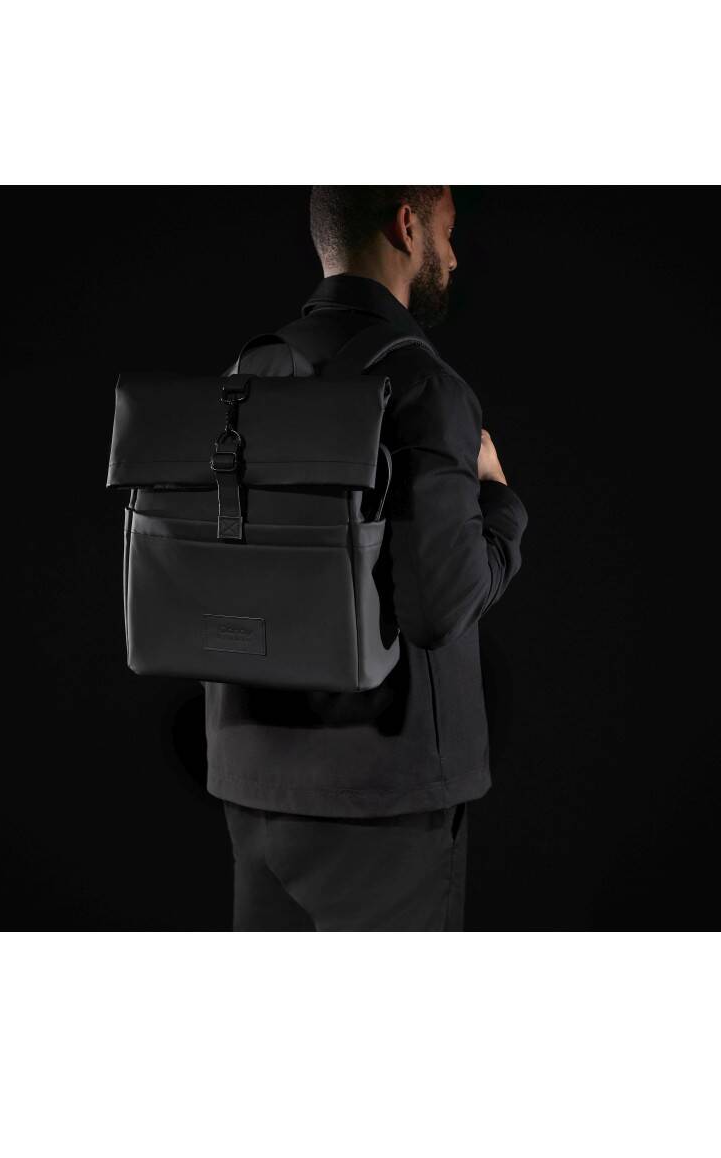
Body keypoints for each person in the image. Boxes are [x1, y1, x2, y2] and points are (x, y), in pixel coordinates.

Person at [204, 186, 529, 930]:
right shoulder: (423, 386)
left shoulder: (245, 374)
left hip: (253, 784)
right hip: (384, 801)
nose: (454, 256)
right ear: (408, 226)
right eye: (448, 231)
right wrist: (501, 502)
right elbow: (439, 608)